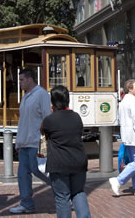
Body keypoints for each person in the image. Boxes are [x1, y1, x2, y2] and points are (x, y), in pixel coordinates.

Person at [42, 85, 91, 218]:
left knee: (62, 197)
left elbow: (43, 133)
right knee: (78, 192)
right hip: (78, 161)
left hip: (59, 163)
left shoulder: (49, 120)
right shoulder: (76, 117)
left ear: (53, 102)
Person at [10, 68, 52, 214]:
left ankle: (62, 190)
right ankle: (26, 203)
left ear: (29, 79)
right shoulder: (25, 96)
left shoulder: (41, 94)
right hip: (24, 142)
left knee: (38, 170)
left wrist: (45, 139)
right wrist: (18, 142)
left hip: (35, 141)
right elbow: (23, 121)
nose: (19, 83)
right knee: (23, 174)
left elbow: (46, 117)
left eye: (21, 80)